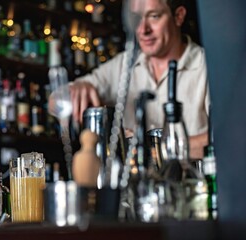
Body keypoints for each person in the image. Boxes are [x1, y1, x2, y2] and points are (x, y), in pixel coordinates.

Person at [59, 0, 209, 159]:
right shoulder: (124, 64)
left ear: (178, 16)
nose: (143, 29)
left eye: (154, 16)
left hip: (193, 182)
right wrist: (78, 88)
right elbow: (55, 100)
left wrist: (150, 148)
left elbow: (222, 139)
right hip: (136, 183)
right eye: (136, 18)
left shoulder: (207, 66)